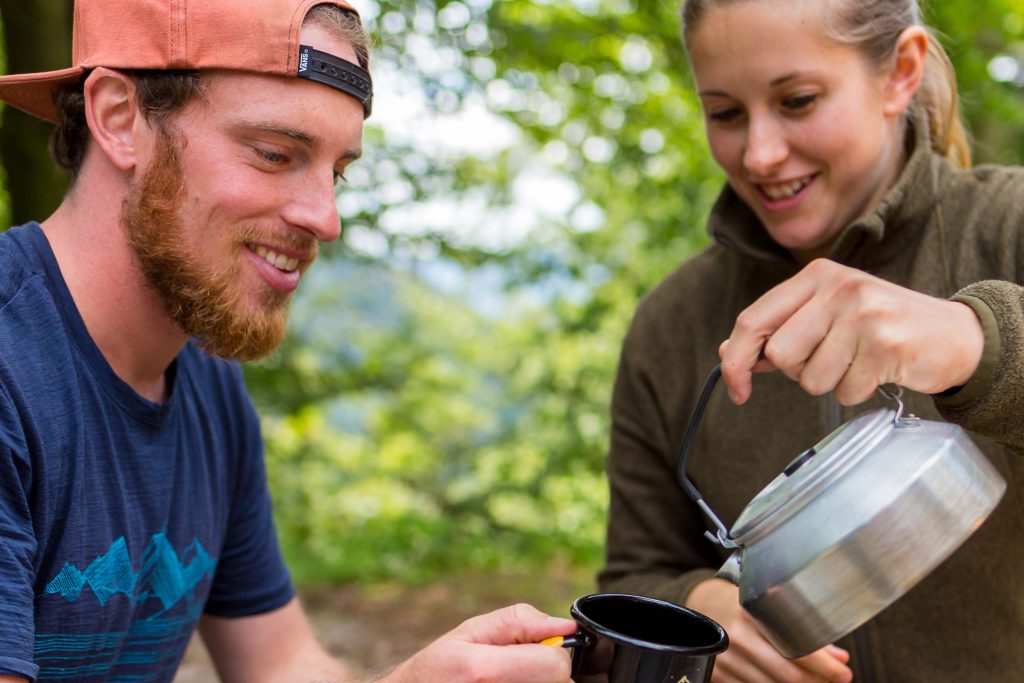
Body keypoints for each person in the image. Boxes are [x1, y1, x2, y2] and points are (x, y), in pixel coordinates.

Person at [0, 1, 578, 681]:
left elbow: (280, 662)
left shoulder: (206, 384)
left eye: (336, 173)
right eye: (275, 154)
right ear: (120, 118)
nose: (325, 218)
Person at [598, 0, 1024, 681]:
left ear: (900, 72)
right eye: (725, 113)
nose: (760, 153)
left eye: (797, 100)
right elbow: (632, 572)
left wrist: (975, 340)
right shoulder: (672, 324)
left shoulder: (1005, 227)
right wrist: (697, 603)